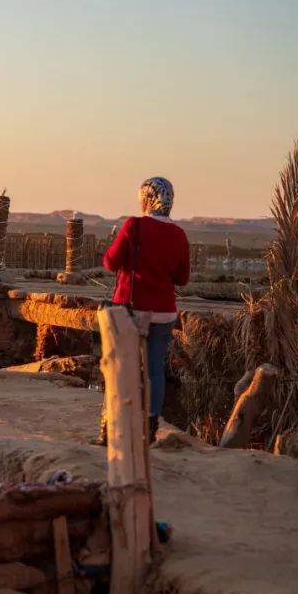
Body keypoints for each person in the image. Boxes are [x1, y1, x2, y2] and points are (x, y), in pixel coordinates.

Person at [100, 177, 190, 443]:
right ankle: (150, 426)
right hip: (164, 312)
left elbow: (110, 262)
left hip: (131, 311)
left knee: (119, 368)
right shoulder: (179, 235)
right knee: (154, 370)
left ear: (146, 199)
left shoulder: (134, 226)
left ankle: (111, 426)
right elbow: (182, 278)